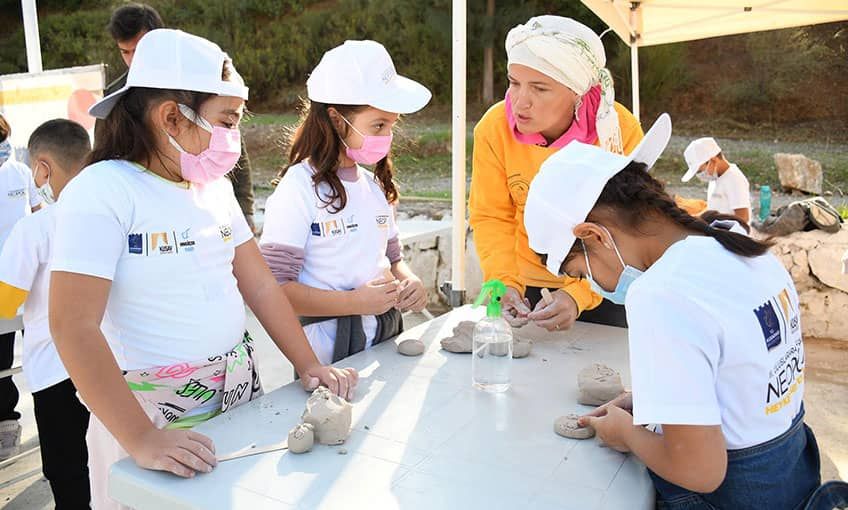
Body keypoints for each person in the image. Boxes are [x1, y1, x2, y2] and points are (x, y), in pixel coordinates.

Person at [48, 29, 356, 509]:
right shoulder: (102, 190)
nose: (234, 138)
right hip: (147, 413)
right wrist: (141, 438)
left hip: (237, 394)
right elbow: (72, 325)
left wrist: (307, 363)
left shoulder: (214, 188)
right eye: (227, 121)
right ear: (171, 116)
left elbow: (260, 285)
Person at [525, 114, 821, 509]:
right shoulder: (734, 241)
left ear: (593, 235)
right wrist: (659, 400)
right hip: (793, 476)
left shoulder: (661, 293)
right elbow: (742, 383)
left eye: (581, 273)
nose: (592, 284)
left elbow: (699, 470)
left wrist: (627, 434)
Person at [469, 15, 644, 332]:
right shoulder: (494, 128)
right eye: (514, 82)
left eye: (539, 88)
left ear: (578, 93)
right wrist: (502, 282)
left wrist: (579, 295)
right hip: (524, 284)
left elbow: (627, 227)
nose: (520, 102)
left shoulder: (617, 132)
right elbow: (491, 215)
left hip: (605, 287)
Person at [259, 40, 430, 365]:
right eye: (378, 125)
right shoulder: (299, 187)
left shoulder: (375, 187)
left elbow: (394, 260)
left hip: (384, 342)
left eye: (391, 126)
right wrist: (355, 303)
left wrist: (410, 282)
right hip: (328, 359)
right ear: (337, 120)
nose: (387, 136)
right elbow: (277, 291)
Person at [0, 119, 103, 508]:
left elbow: (4, 304)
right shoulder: (113, 214)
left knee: (68, 472)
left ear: (42, 167)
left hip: (56, 371)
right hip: (114, 364)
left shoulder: (36, 229)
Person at [103, 3, 257, 230]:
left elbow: (230, 141)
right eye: (125, 52)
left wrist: (245, 208)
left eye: (139, 49)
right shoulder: (114, 100)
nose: (134, 59)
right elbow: (106, 148)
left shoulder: (198, 82)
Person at [0, 113, 42, 460]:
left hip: (31, 278)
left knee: (42, 350)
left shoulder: (20, 171)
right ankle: (6, 423)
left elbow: (38, 211)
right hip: (3, 286)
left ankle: (54, 416)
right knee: (1, 356)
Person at [682, 137, 751, 223]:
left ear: (713, 160)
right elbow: (713, 208)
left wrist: (718, 225)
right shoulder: (715, 177)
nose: (700, 175)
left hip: (730, 230)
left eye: (700, 171)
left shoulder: (734, 179)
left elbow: (743, 218)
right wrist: (693, 218)